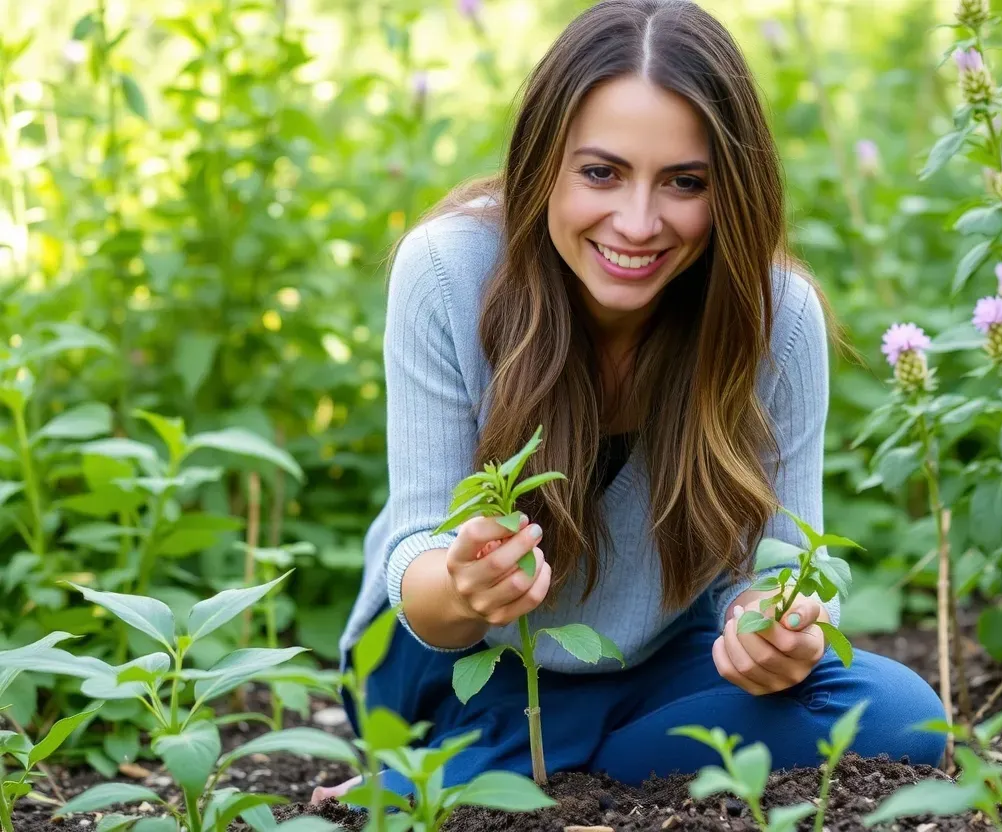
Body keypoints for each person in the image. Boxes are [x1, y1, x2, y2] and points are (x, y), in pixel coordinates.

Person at [333, 0, 945, 798]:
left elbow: (787, 555)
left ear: (733, 191)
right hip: (453, 667)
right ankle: (532, 762)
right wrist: (463, 586)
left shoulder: (774, 317)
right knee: (455, 661)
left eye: (685, 182)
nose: (638, 222)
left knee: (903, 716)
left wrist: (784, 630)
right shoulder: (450, 270)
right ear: (542, 162)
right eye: (601, 172)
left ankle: (515, 774)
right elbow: (416, 557)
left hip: (658, 661)